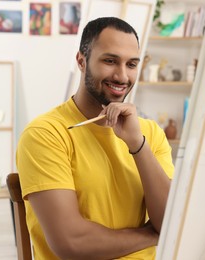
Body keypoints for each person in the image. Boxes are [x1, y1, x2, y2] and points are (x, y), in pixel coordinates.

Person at [16, 17, 174, 259]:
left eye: (131, 64)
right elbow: (71, 243)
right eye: (110, 61)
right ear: (81, 61)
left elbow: (171, 222)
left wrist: (138, 146)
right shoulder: (45, 134)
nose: (122, 76)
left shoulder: (149, 133)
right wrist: (152, 235)